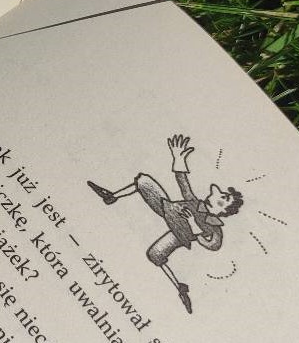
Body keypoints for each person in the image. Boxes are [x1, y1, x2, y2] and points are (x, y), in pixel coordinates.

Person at [87, 134, 243, 314]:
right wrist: (178, 159)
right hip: (167, 209)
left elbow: (214, 244)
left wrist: (193, 227)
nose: (218, 194)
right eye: (222, 194)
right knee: (144, 181)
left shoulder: (214, 226)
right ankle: (111, 196)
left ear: (223, 210)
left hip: (179, 234)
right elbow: (184, 184)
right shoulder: (196, 203)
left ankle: (180, 288)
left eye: (224, 199)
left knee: (155, 255)